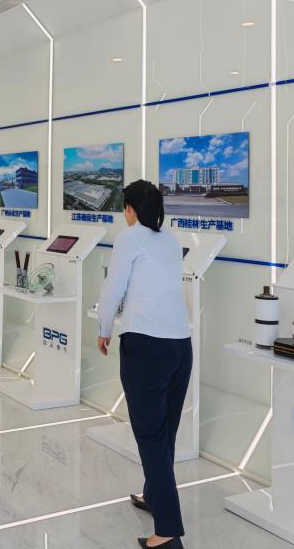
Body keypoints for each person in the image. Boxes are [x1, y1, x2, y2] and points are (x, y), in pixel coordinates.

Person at [97, 180, 191, 549]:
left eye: (126, 208)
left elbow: (113, 288)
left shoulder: (129, 238)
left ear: (131, 209)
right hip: (180, 347)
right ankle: (154, 495)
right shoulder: (171, 239)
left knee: (151, 437)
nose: (125, 214)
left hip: (146, 347)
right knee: (165, 432)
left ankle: (167, 532)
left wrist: (104, 328)